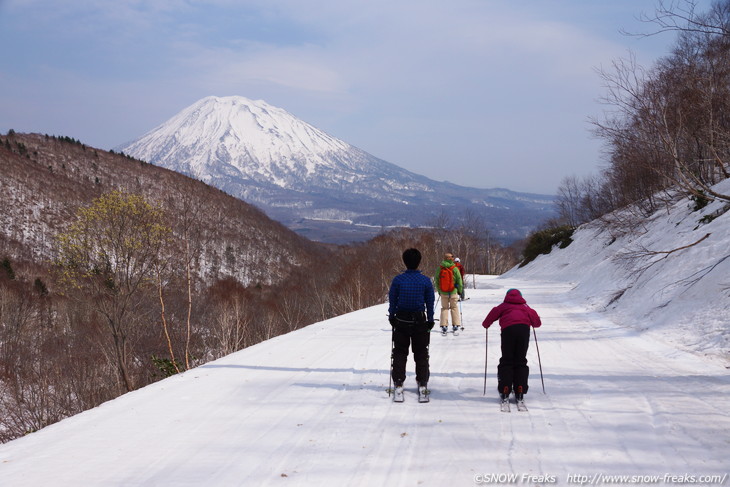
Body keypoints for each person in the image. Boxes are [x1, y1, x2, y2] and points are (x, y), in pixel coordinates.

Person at [388, 248, 435, 401]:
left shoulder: (398, 280)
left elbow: (393, 300)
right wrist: (430, 320)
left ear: (404, 261)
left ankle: (399, 382)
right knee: (421, 352)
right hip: (420, 321)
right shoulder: (426, 280)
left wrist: (392, 316)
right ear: (419, 261)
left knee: (400, 352)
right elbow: (430, 302)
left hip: (401, 320)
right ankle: (422, 382)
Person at [481, 288, 541, 402]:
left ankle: (505, 388)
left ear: (507, 296)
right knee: (521, 360)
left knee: (507, 360)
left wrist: (486, 324)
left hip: (508, 332)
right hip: (523, 331)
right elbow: (537, 323)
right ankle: (520, 389)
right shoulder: (526, 307)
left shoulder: (503, 306)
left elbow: (491, 316)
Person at [434, 252, 463, 334]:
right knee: (454, 307)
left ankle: (444, 325)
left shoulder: (440, 268)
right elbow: (459, 280)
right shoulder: (454, 268)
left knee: (444, 308)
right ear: (451, 259)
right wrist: (460, 290)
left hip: (443, 292)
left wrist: (439, 290)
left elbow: (437, 280)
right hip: (453, 291)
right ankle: (456, 324)